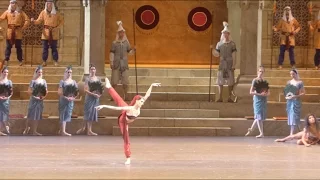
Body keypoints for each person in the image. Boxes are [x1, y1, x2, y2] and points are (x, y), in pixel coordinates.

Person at [95, 78, 160, 165]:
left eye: (142, 102)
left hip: (128, 117)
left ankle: (109, 87)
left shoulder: (137, 105)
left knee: (121, 100)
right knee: (126, 139)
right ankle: (128, 157)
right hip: (123, 121)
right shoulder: (130, 108)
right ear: (136, 102)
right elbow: (116, 108)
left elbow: (147, 95)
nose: (142, 103)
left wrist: (151, 85)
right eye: (141, 101)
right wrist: (103, 105)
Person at [31, 0, 63, 67]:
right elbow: (39, 21)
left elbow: (62, 21)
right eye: (48, 4)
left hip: (54, 33)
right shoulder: (43, 12)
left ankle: (55, 61)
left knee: (54, 48)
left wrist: (57, 28)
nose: (49, 5)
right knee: (45, 48)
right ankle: (44, 61)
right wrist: (34, 21)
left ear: (52, 5)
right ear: (46, 4)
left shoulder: (56, 13)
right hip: (45, 33)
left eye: (50, 4)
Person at [211, 21, 237, 103]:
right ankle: (220, 97)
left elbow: (234, 55)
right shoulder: (219, 44)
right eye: (224, 33)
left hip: (229, 64)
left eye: (227, 33)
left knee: (230, 81)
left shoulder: (232, 44)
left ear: (229, 34)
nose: (226, 35)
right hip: (222, 64)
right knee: (220, 81)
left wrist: (234, 65)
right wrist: (212, 49)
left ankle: (230, 97)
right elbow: (217, 54)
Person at [109, 21, 135, 100]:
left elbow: (129, 52)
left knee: (125, 81)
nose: (121, 34)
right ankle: (113, 96)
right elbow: (112, 53)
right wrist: (111, 62)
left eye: (122, 32)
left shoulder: (126, 43)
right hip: (116, 64)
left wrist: (134, 50)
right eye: (120, 32)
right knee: (114, 81)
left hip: (124, 64)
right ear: (118, 33)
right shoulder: (114, 43)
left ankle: (126, 95)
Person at [0, 0, 30, 66]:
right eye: (12, 3)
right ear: (10, 4)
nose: (13, 4)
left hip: (18, 32)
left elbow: (27, 20)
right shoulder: (7, 12)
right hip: (10, 32)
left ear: (16, 4)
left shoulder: (20, 12)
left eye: (14, 3)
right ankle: (7, 60)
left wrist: (23, 27)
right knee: (8, 47)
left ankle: (20, 60)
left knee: (18, 47)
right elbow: (1, 19)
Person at [76, 64, 102, 136]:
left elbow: (100, 89)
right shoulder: (88, 79)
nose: (93, 70)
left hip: (96, 98)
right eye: (92, 69)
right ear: (90, 70)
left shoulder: (98, 79)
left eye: (94, 69)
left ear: (96, 70)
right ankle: (84, 128)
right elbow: (85, 90)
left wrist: (99, 94)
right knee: (88, 112)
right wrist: (92, 94)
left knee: (92, 113)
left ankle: (88, 130)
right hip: (90, 97)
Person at [245, 66, 269, 138]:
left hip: (263, 100)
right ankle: (261, 133)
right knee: (258, 115)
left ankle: (251, 129)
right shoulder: (255, 80)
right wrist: (259, 94)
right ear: (258, 72)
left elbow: (268, 92)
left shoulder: (265, 81)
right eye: (260, 71)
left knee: (259, 116)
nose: (261, 73)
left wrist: (265, 94)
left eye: (262, 71)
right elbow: (251, 92)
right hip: (257, 100)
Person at [23, 66, 48, 136]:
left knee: (37, 116)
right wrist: (34, 96)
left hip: (40, 100)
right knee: (30, 115)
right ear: (36, 72)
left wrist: (42, 97)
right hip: (33, 100)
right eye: (38, 72)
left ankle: (34, 131)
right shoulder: (33, 81)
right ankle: (26, 128)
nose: (40, 73)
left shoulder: (44, 81)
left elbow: (46, 91)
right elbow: (29, 91)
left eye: (41, 72)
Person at [58, 66, 78, 136]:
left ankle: (61, 130)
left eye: (70, 72)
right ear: (65, 73)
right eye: (68, 72)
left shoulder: (74, 82)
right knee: (63, 114)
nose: (69, 73)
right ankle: (63, 131)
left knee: (67, 114)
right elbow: (60, 92)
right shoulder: (62, 82)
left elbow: (76, 92)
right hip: (64, 100)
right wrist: (66, 97)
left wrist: (73, 97)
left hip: (70, 101)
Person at [285, 69, 305, 136]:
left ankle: (292, 133)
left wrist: (296, 96)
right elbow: (287, 92)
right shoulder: (289, 82)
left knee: (295, 116)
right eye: (291, 74)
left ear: (296, 74)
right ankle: (293, 132)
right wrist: (287, 96)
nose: (292, 75)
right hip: (289, 101)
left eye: (293, 74)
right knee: (291, 115)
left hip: (296, 100)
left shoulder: (300, 82)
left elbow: (303, 93)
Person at [0, 66, 12, 136]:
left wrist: (7, 97)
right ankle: (4, 128)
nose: (6, 73)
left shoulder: (9, 82)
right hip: (0, 100)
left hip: (6, 101)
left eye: (7, 72)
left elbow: (11, 92)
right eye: (4, 72)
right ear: (2, 72)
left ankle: (4, 127)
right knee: (0, 116)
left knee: (5, 115)